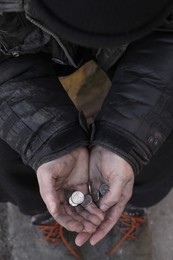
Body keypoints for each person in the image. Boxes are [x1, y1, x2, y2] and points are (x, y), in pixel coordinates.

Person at [1, 0, 173, 257]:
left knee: (156, 135)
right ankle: (42, 208)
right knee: (8, 149)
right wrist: (46, 142)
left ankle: (135, 204)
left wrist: (127, 142)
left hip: (150, 31)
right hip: (13, 36)